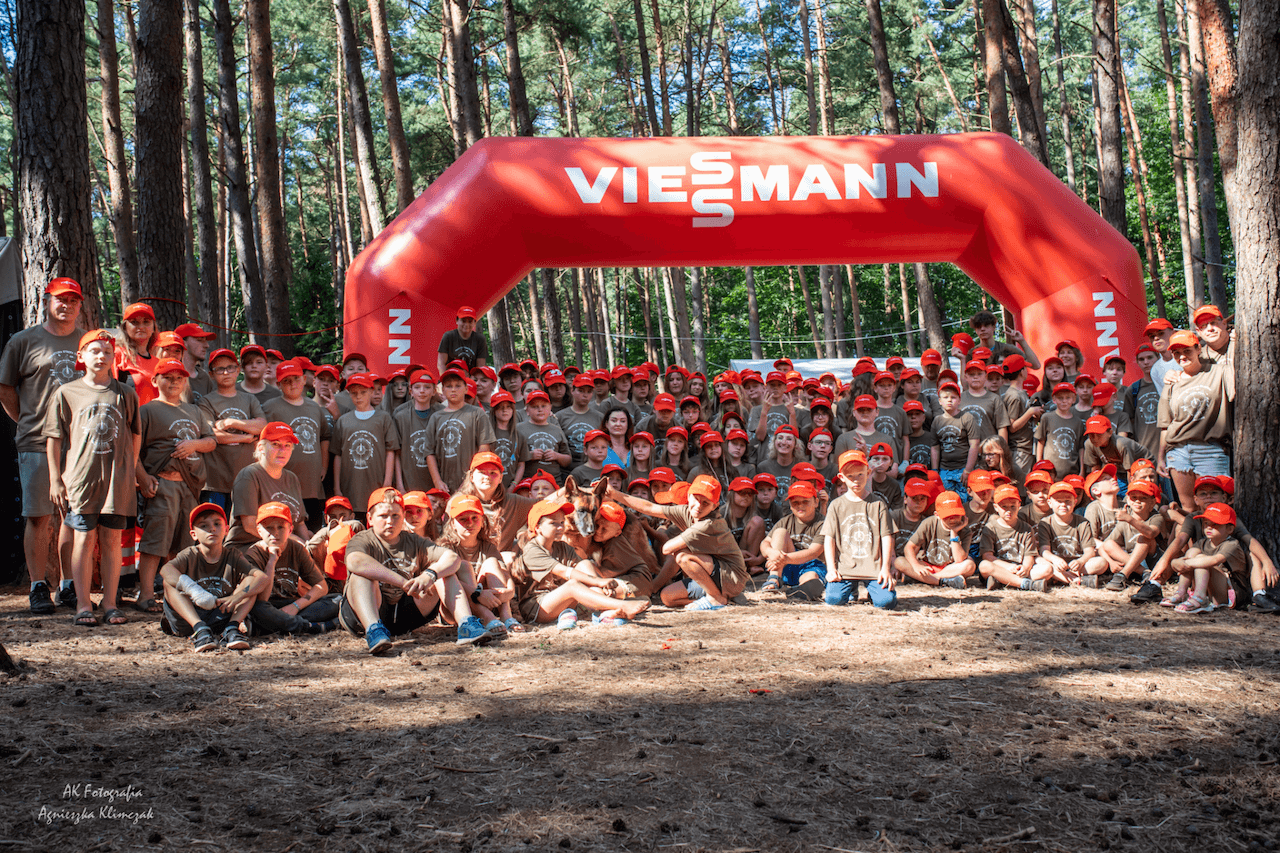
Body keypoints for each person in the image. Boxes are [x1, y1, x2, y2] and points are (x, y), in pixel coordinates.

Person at [44, 330, 141, 627]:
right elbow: (54, 438)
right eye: (95, 351)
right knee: (84, 539)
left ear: (114, 358)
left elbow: (135, 434)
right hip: (81, 480)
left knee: (111, 540)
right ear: (81, 356)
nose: (101, 356)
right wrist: (55, 478)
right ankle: (83, 604)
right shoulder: (66, 392)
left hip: (115, 482)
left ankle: (110, 603)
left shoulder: (125, 393)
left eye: (107, 352)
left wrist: (129, 470)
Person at [0, 277, 85, 613]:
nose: (67, 305)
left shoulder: (87, 341)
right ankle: (38, 586)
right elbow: (5, 388)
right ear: (47, 301)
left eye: (73, 300)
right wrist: (26, 420)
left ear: (80, 305)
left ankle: (68, 584)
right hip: (36, 440)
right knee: (38, 516)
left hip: (79, 443)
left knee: (72, 516)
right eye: (60, 299)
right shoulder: (23, 341)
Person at [339, 487, 493, 653]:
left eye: (395, 515)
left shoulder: (414, 541)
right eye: (383, 516)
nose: (390, 521)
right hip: (367, 613)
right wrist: (402, 582)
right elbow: (355, 561)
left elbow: (453, 558)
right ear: (370, 518)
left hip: (404, 614)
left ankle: (466, 624)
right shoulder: (362, 539)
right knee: (360, 576)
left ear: (402, 517)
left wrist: (429, 575)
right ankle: (374, 630)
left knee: (443, 573)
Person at [136, 359, 216, 612]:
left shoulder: (194, 411)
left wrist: (194, 445)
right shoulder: (147, 411)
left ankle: (176, 596)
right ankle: (146, 595)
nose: (174, 382)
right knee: (155, 543)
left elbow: (211, 441)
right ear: (155, 380)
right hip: (163, 485)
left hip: (190, 487)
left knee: (183, 546)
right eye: (167, 377)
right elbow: (132, 450)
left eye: (179, 378)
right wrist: (143, 478)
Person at [608, 475, 749, 611]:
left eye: (705, 503)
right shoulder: (688, 511)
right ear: (689, 496)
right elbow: (650, 507)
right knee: (667, 597)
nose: (698, 506)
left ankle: (716, 598)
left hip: (732, 578)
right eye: (696, 499)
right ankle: (718, 598)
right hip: (713, 576)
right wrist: (615, 494)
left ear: (715, 506)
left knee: (682, 555)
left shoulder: (708, 524)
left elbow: (667, 548)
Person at [514, 497, 651, 628]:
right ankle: (620, 605)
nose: (560, 527)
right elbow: (564, 572)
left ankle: (606, 610)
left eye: (562, 522)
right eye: (553, 523)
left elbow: (583, 570)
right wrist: (599, 582)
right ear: (537, 527)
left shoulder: (562, 547)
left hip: (563, 602)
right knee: (572, 585)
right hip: (538, 607)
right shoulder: (532, 550)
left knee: (585, 564)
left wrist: (600, 586)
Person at [159, 503, 265, 651]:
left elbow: (262, 578)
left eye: (217, 524)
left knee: (251, 581)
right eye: (204, 526)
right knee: (169, 583)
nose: (212, 529)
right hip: (189, 618)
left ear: (226, 530)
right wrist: (193, 590)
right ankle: (200, 630)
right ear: (193, 534)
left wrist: (238, 595)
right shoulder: (189, 554)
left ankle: (232, 628)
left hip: (221, 615)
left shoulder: (233, 555)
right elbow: (165, 569)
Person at [1158, 331, 1234, 509]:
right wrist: (1160, 458)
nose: (1182, 356)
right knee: (1188, 507)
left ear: (1198, 349)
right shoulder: (1171, 383)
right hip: (1178, 452)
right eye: (1176, 353)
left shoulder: (1218, 371)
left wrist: (1234, 343)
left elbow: (1236, 390)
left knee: (1215, 507)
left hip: (1211, 449)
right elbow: (1165, 425)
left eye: (1187, 350)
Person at [243, 502, 339, 635]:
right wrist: (271, 561)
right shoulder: (253, 554)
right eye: (269, 528)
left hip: (291, 603)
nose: (275, 533)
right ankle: (310, 627)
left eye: (280, 527)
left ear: (290, 529)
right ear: (259, 530)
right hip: (269, 605)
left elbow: (322, 586)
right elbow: (262, 598)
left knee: (337, 600)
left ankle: (271, 627)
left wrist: (295, 606)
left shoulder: (297, 548)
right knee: (256, 608)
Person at [437, 493, 522, 634]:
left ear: (483, 521)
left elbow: (505, 574)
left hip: (487, 600)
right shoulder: (445, 548)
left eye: (474, 518)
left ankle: (506, 616)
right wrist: (478, 594)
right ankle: (487, 618)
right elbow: (446, 581)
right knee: (464, 566)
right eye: (463, 519)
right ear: (452, 524)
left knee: (492, 562)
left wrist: (509, 591)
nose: (469, 523)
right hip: (456, 608)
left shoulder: (487, 546)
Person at [821, 450, 896, 608]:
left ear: (868, 473)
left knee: (886, 602)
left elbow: (887, 537)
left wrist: (885, 568)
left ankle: (873, 591)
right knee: (833, 600)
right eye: (850, 476)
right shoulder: (835, 505)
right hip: (845, 569)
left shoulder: (878, 504)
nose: (856, 480)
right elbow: (829, 538)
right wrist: (831, 569)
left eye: (860, 474)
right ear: (842, 477)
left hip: (873, 569)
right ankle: (851, 588)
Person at [262, 359, 330, 526]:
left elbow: (324, 437)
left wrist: (324, 466)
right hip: (283, 481)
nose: (293, 384)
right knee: (286, 527)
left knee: (313, 528)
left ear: (304, 380)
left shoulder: (314, 407)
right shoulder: (270, 407)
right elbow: (263, 441)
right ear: (278, 385)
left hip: (312, 482)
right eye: (286, 381)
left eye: (296, 379)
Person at [198, 348, 267, 510]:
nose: (225, 372)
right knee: (215, 524)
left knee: (244, 524)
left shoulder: (249, 399)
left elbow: (261, 425)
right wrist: (244, 437)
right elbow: (211, 434)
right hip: (214, 482)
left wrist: (231, 422)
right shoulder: (205, 401)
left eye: (230, 368)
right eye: (219, 369)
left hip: (246, 479)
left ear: (238, 370)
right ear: (211, 374)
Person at [226, 422, 309, 546]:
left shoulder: (292, 478)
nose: (282, 450)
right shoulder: (248, 476)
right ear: (261, 447)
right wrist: (295, 542)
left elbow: (300, 524)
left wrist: (308, 547)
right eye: (275, 444)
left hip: (285, 545)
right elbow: (250, 525)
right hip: (249, 546)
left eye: (287, 445)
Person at [331, 373, 398, 517]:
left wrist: (387, 482)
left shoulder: (383, 418)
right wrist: (337, 487)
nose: (358, 397)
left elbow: (390, 451)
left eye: (363, 392)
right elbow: (338, 455)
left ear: (371, 391)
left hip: (376, 486)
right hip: (350, 488)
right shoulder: (343, 421)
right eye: (354, 393)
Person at [1163, 503, 1245, 614]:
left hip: (1231, 592)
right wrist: (1175, 562)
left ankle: (1200, 599)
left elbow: (1214, 560)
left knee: (1202, 560)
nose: (1209, 527)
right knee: (1192, 553)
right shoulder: (1203, 542)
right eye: (1206, 523)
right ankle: (1181, 593)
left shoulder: (1232, 544)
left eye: (1215, 524)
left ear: (1229, 529)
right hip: (1210, 590)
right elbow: (1188, 556)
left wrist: (1185, 564)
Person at [424, 368, 496, 492]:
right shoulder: (436, 417)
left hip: (472, 483)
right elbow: (429, 452)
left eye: (458, 386)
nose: (453, 389)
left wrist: (470, 479)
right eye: (449, 386)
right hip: (444, 484)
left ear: (466, 389)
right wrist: (437, 481)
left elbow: (484, 448)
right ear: (443, 390)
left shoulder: (477, 414)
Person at [759, 481, 826, 599]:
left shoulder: (822, 523)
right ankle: (774, 578)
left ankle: (801, 590)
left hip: (811, 565)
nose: (800, 506)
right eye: (796, 502)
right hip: (785, 565)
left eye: (805, 501)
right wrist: (771, 553)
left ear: (816, 502)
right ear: (790, 505)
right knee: (780, 532)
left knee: (811, 578)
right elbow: (764, 543)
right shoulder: (786, 521)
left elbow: (814, 552)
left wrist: (783, 559)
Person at [898, 490, 975, 589]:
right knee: (899, 561)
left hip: (950, 569)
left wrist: (954, 533)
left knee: (970, 565)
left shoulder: (965, 530)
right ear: (937, 515)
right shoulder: (928, 523)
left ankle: (924, 579)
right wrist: (916, 565)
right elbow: (909, 548)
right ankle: (943, 581)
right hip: (928, 566)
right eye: (947, 516)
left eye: (956, 514)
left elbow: (959, 559)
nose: (952, 519)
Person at [978, 484, 1045, 591]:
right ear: (996, 507)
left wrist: (1026, 568)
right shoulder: (990, 528)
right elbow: (987, 556)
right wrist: (1008, 567)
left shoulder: (1026, 528)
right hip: (1000, 567)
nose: (1009, 510)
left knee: (1046, 569)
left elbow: (1029, 555)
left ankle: (1002, 580)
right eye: (1004, 506)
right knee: (984, 565)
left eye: (1013, 506)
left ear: (1019, 505)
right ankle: (1025, 584)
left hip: (1019, 568)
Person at [932, 382, 979, 499]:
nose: (949, 400)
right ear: (940, 401)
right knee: (947, 500)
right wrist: (935, 470)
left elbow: (974, 445)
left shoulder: (966, 418)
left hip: (963, 468)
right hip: (944, 469)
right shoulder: (937, 421)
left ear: (959, 400)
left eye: (953, 397)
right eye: (945, 397)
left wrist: (968, 470)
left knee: (965, 499)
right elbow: (935, 448)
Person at [517, 388, 571, 484]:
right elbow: (511, 457)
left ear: (550, 408)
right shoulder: (519, 429)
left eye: (543, 406)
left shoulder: (557, 430)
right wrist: (529, 455)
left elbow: (568, 460)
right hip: (527, 482)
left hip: (554, 482)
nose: (540, 409)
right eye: (535, 407)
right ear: (527, 410)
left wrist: (557, 456)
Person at [1035, 382, 1085, 480]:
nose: (1064, 401)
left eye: (1068, 398)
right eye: (1060, 398)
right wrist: (1039, 465)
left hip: (1072, 473)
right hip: (1050, 472)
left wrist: (1082, 470)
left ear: (1074, 399)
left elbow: (1081, 448)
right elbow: (1041, 442)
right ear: (1054, 399)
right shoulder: (1047, 418)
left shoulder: (1078, 422)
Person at [116, 302, 158, 405]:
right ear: (125, 327)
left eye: (146, 322)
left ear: (153, 327)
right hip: (128, 415)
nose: (141, 327)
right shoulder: (117, 354)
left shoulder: (158, 363)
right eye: (134, 322)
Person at [437, 306, 489, 373]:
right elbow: (441, 363)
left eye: (470, 321)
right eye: (463, 321)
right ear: (457, 321)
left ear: (474, 323)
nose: (466, 324)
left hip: (471, 377)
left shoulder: (480, 339)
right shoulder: (448, 336)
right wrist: (444, 378)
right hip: (451, 376)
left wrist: (473, 379)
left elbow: (480, 367)